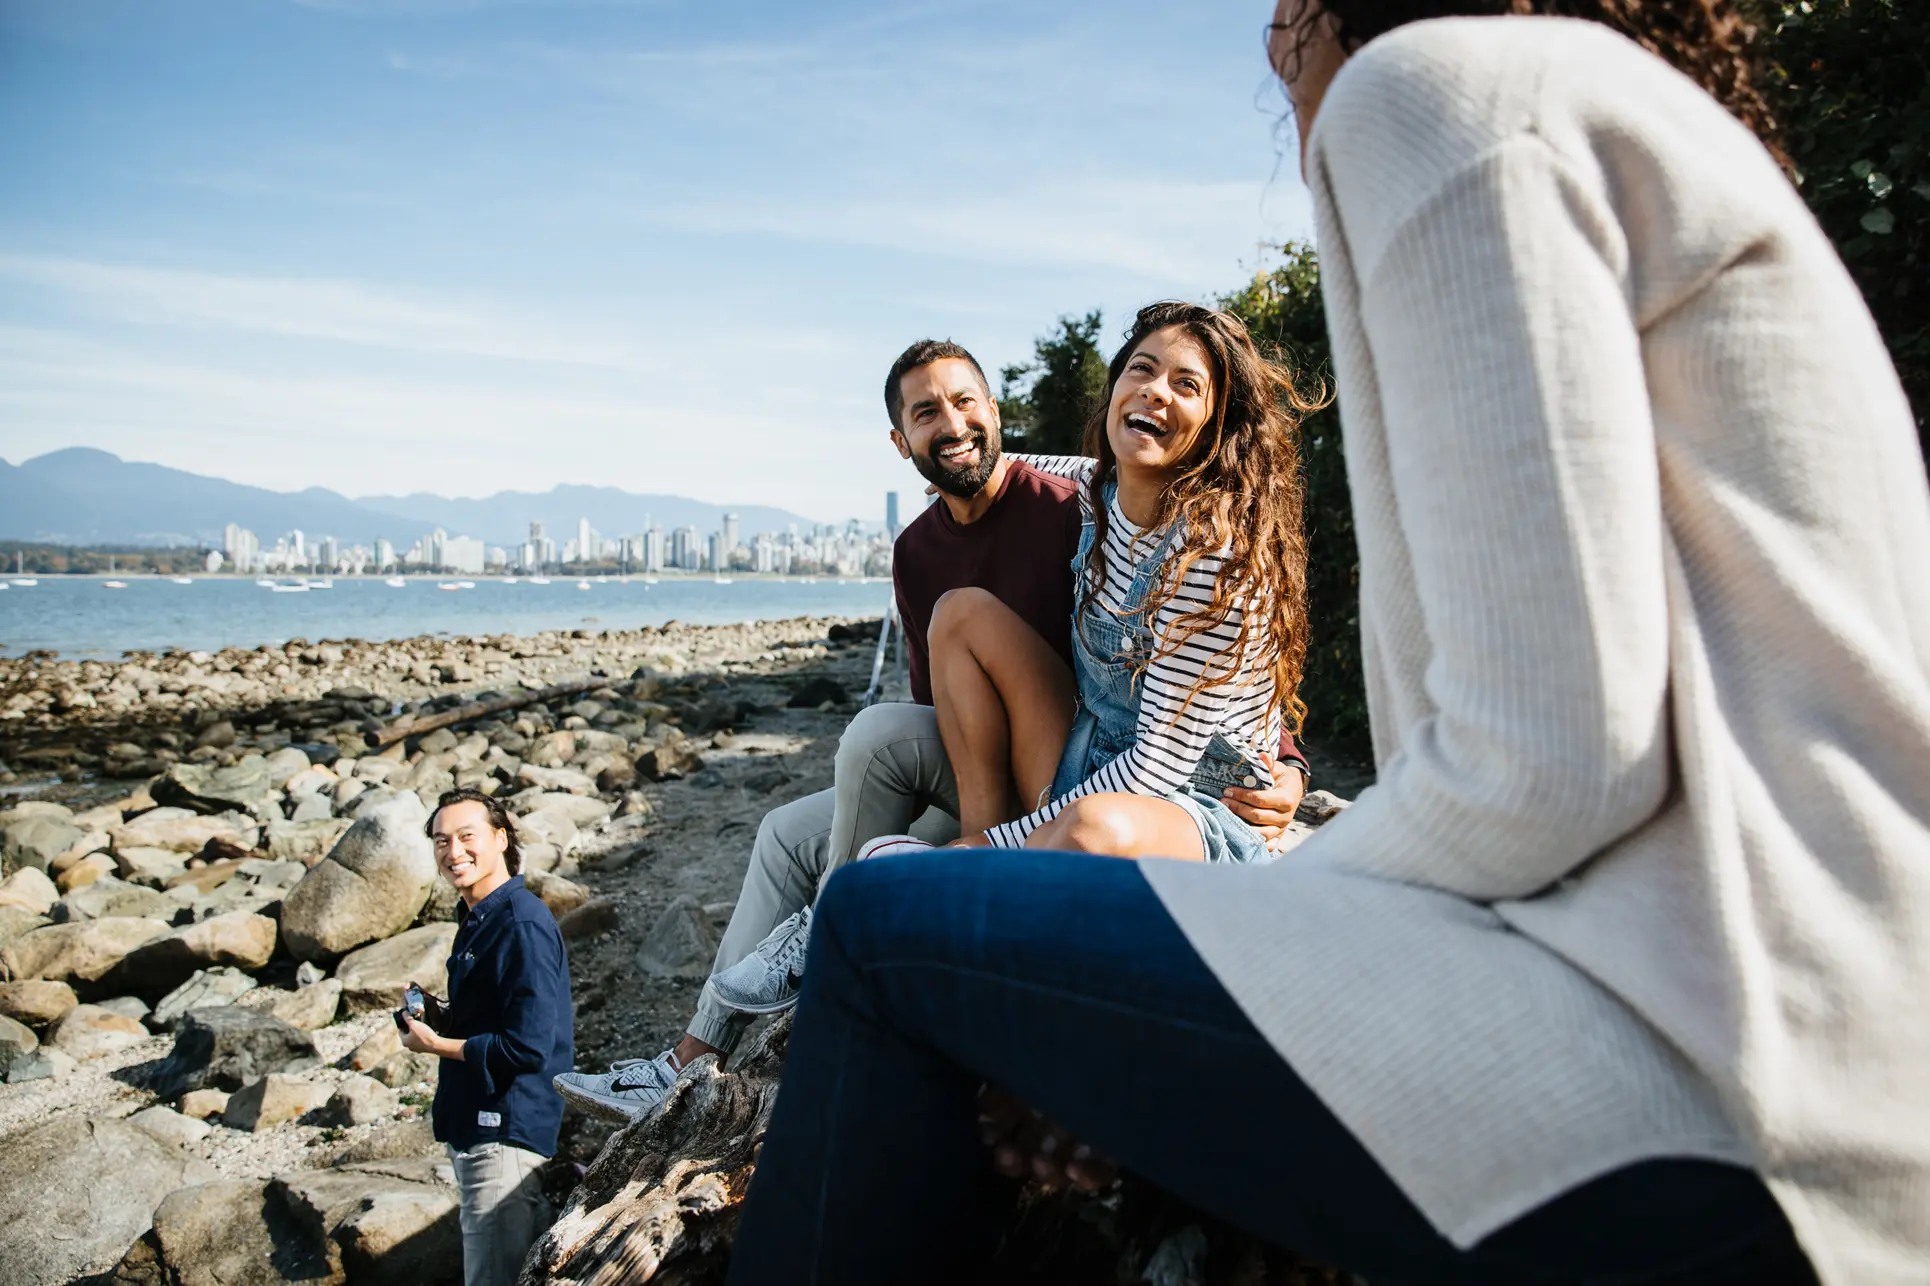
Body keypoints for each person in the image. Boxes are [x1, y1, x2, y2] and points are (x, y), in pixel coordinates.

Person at [725, 3, 1930, 1284]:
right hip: (1793, 1031)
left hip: (1703, 1074)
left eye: (1288, 11)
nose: (1269, 47)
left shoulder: (1435, 93)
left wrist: (1267, 888)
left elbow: (1555, 762)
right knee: (966, 939)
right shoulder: (1611, 116)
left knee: (870, 914)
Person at [550, 339, 1311, 1123]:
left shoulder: (1073, 503)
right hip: (1046, 754)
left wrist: (1287, 763)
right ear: (900, 442)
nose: (951, 426)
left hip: (1131, 782)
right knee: (791, 825)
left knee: (884, 760)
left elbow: (1224, 683)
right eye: (926, 414)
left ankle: (851, 955)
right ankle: (686, 1061)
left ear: (995, 412)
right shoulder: (941, 541)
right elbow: (941, 704)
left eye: (965, 404)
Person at [901, 301, 1312, 867]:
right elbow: (1047, 465)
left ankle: (979, 869)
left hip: (1193, 803)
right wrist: (961, 464)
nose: (1155, 390)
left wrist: (998, 843)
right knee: (961, 613)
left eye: (1186, 384)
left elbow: (1154, 772)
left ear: (1216, 425)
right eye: (1141, 369)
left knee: (1091, 827)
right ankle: (979, 861)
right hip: (1090, 754)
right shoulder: (1102, 492)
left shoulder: (1212, 558)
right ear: (1116, 386)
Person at [400, 787, 573, 1286]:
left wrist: (436, 1046)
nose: (453, 852)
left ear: (500, 838)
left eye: (466, 837)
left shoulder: (520, 923)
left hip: (504, 1132)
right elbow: (497, 1019)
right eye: (440, 841)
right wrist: (443, 1018)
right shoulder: (479, 917)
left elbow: (528, 1047)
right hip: (481, 1126)